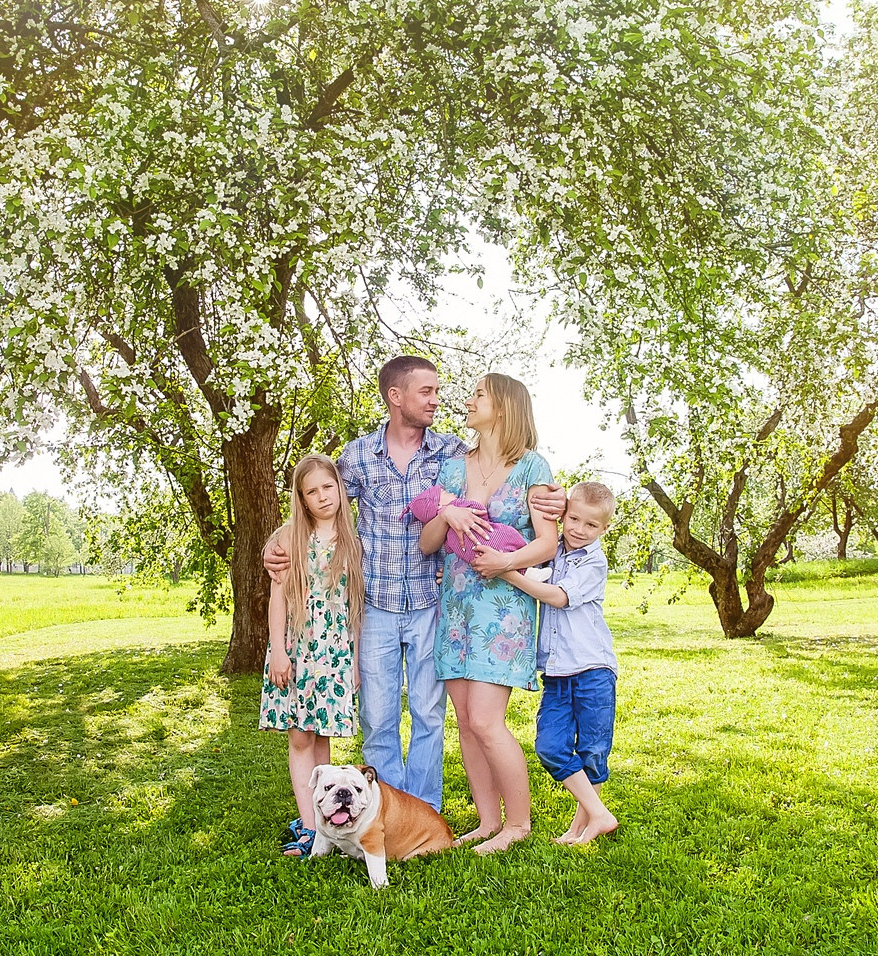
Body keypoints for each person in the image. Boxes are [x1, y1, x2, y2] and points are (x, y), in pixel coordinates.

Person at [262, 356, 566, 812]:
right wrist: (274, 542)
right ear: (395, 397)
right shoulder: (358, 456)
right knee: (378, 718)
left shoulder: (451, 452)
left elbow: (505, 474)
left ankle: (424, 814)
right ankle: (386, 812)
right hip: (376, 603)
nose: (437, 400)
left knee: (429, 716)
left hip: (433, 602)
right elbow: (315, 499)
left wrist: (555, 497)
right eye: (426, 392)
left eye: (438, 391)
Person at [417, 372, 559, 855]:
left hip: (503, 605)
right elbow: (427, 543)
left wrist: (506, 562)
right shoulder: (454, 469)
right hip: (455, 604)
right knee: (464, 719)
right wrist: (445, 512)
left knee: (485, 720)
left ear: (503, 407)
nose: (468, 399)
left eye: (478, 394)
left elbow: (547, 543)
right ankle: (486, 821)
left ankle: (518, 824)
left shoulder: (531, 467)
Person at [498, 480, 620, 845]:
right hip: (557, 672)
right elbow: (524, 546)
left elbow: (557, 596)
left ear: (605, 529)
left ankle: (584, 824)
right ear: (564, 514)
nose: (580, 530)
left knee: (593, 752)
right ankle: (599, 814)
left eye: (591, 525)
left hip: (593, 669)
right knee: (550, 746)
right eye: (574, 519)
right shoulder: (553, 550)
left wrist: (508, 573)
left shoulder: (594, 562)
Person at [261, 454, 365, 859]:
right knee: (300, 735)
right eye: (312, 492)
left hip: (334, 648)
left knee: (321, 734)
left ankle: (324, 827)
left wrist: (353, 660)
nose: (323, 497)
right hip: (298, 645)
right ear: (302, 500)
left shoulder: (351, 541)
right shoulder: (288, 538)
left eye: (328, 487)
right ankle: (308, 828)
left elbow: (354, 605)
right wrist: (279, 653)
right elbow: (276, 601)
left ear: (339, 489)